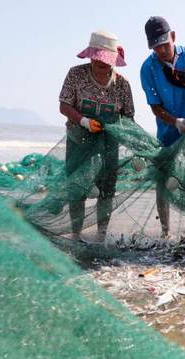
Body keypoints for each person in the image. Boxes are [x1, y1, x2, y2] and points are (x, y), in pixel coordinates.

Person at [59, 30, 134, 243]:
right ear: (91, 56)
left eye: (107, 59)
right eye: (99, 58)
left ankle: (101, 235)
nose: (102, 63)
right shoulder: (76, 75)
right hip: (79, 142)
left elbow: (128, 118)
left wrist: (138, 147)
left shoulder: (122, 85)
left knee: (107, 188)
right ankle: (76, 234)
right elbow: (64, 105)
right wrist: (83, 121)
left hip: (109, 144)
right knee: (77, 188)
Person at [140, 16, 185, 239]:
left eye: (165, 44)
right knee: (163, 180)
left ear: (174, 37)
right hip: (167, 132)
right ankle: (165, 232)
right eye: (156, 47)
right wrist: (174, 121)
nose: (161, 50)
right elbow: (155, 107)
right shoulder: (147, 68)